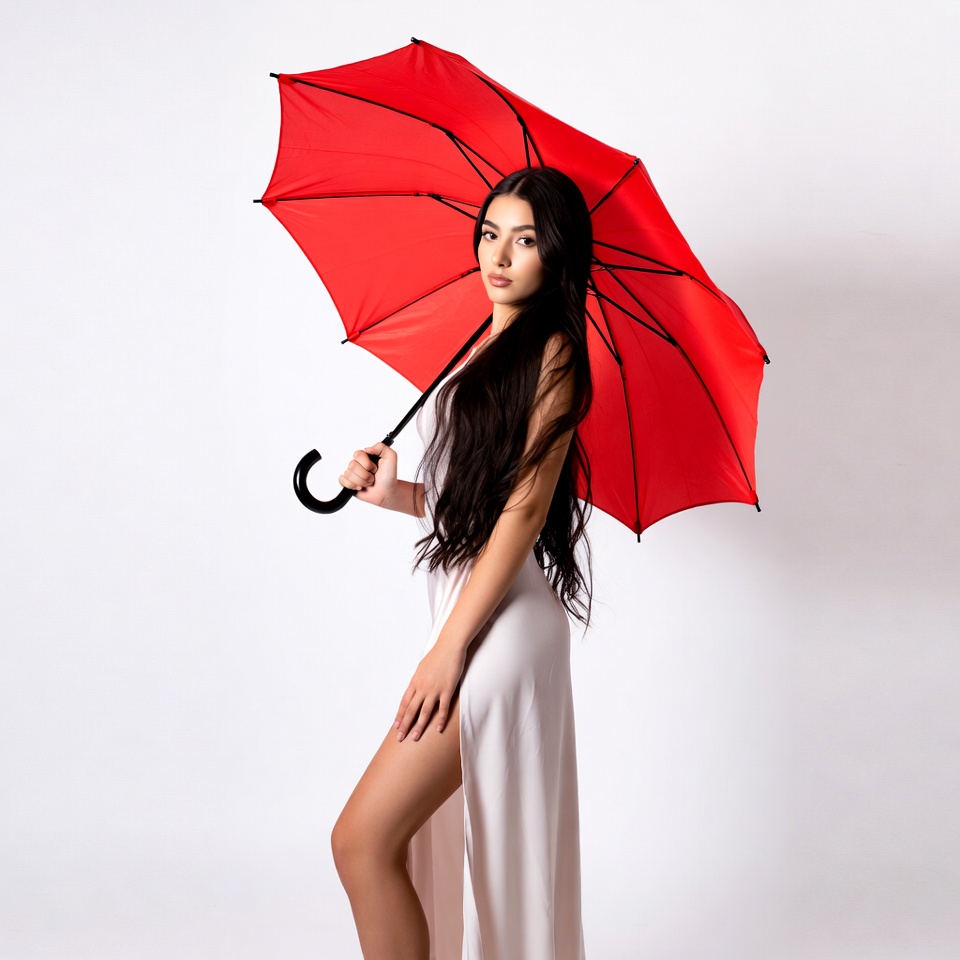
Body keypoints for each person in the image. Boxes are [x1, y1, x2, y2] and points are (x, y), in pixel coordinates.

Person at [332, 167, 594, 960]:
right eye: (490, 233)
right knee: (373, 844)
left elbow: (520, 515)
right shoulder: (489, 349)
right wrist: (396, 494)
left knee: (362, 839)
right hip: (479, 613)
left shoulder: (554, 353)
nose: (501, 254)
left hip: (500, 628)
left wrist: (448, 650)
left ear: (556, 255)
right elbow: (472, 508)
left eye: (525, 239)